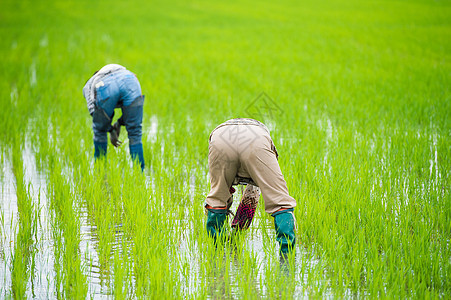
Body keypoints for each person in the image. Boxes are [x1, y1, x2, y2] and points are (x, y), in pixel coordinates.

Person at [205, 118, 296, 255]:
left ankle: (218, 253)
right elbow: (252, 197)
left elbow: (230, 195)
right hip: (256, 140)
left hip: (221, 138)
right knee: (280, 201)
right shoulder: (262, 136)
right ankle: (287, 258)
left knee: (217, 198)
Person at [83, 64, 145, 170]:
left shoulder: (90, 85)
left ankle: (100, 171)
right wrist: (118, 124)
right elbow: (131, 113)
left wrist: (109, 129)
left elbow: (95, 114)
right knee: (135, 132)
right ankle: (139, 174)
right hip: (130, 81)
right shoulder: (123, 72)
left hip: (105, 86)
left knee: (99, 132)